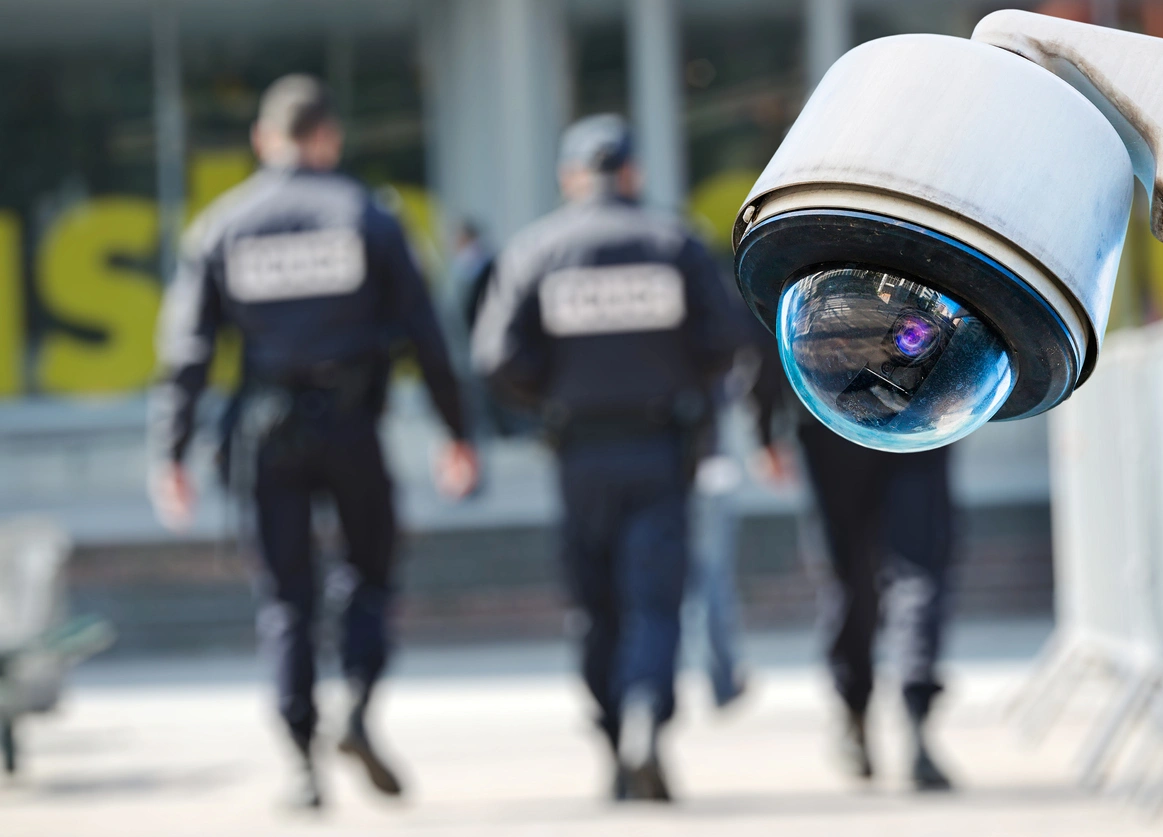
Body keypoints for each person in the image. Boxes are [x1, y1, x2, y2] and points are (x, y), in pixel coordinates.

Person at [147, 74, 478, 809]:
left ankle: (302, 762)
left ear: (266, 140)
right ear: (327, 138)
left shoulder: (222, 225)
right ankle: (358, 702)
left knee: (285, 598)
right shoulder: (370, 216)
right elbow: (427, 336)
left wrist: (169, 452)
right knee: (369, 569)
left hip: (266, 434)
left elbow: (188, 352)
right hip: (354, 425)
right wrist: (459, 432)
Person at [471, 114, 741, 801]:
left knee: (595, 605)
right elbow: (724, 339)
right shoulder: (673, 240)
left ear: (570, 178)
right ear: (632, 173)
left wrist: (552, 392)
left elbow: (496, 355)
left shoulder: (537, 248)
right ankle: (648, 711)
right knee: (654, 598)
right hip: (659, 445)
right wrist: (676, 378)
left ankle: (612, 729)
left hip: (580, 450)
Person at [752, 347, 954, 791]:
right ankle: (916, 721)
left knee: (847, 575)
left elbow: (773, 316)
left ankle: (855, 720)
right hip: (917, 410)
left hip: (830, 411)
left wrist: (765, 425)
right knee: (916, 572)